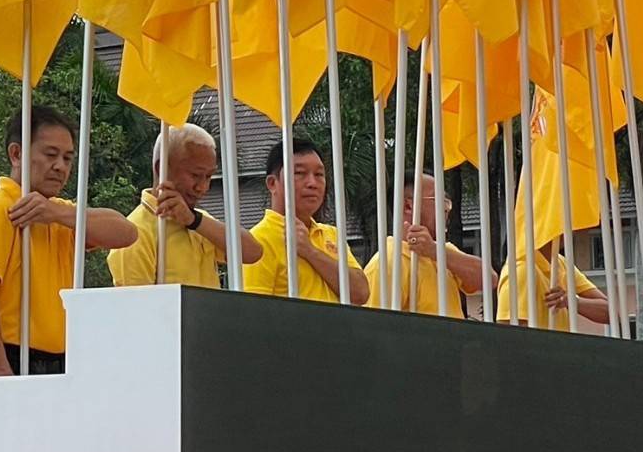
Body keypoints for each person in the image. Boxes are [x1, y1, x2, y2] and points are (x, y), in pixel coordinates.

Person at [0, 106, 137, 376]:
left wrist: (58, 213)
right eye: (50, 154)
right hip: (14, 357)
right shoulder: (0, 207)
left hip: (61, 360)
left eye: (68, 158)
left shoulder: (60, 212)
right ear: (17, 154)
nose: (60, 166)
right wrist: (3, 376)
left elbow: (127, 233)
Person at [108, 123, 261, 287]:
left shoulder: (198, 221)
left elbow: (253, 252)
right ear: (162, 168)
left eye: (208, 176)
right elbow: (137, 308)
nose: (203, 187)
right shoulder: (137, 233)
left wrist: (195, 221)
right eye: (195, 175)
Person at [243, 137, 369, 304]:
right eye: (300, 173)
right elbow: (253, 312)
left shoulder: (331, 234)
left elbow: (360, 293)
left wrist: (310, 252)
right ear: (273, 183)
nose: (312, 183)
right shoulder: (259, 240)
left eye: (319, 175)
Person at [365, 172, 493, 316]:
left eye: (446, 201)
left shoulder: (442, 252)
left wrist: (434, 251)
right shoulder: (388, 261)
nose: (446, 208)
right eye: (437, 199)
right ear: (408, 206)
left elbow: (490, 280)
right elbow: (374, 329)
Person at [497, 242, 610, 330]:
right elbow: (509, 338)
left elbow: (610, 313)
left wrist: (573, 301)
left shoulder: (561, 263)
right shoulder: (521, 270)